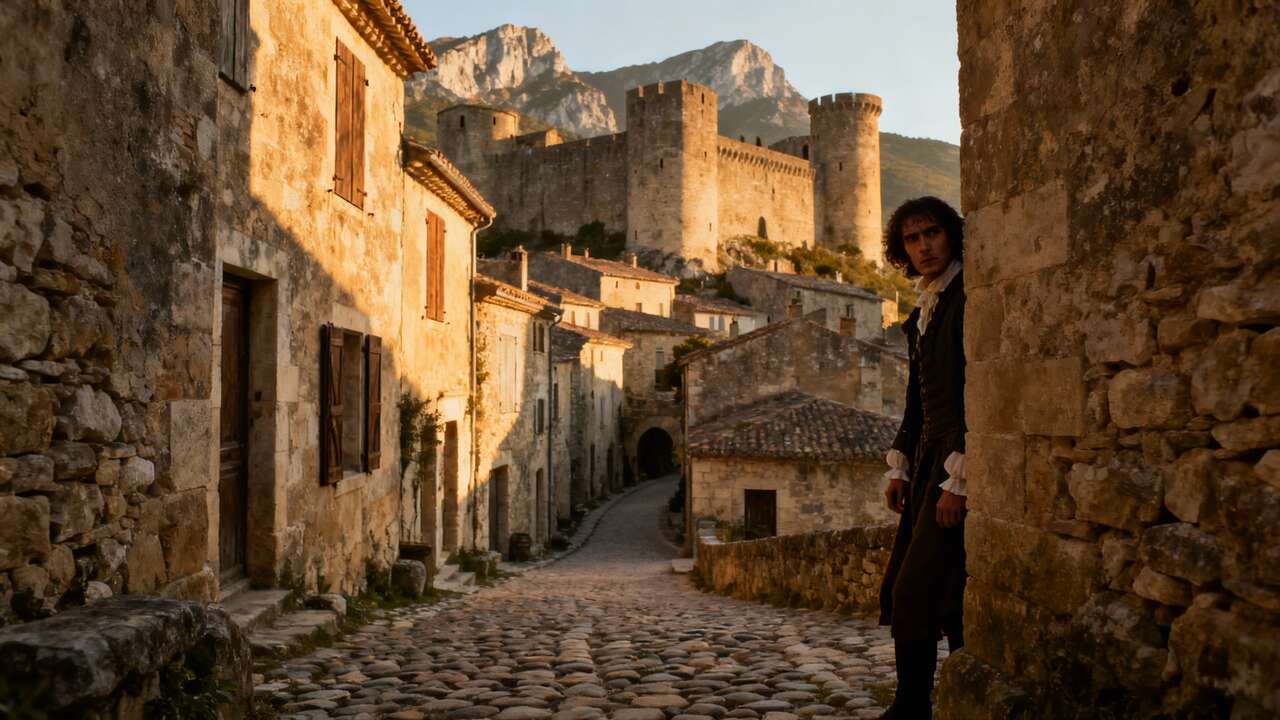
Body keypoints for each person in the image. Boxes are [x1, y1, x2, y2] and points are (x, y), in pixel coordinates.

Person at [877, 196, 967, 719]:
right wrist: (901, 466)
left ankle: (913, 707)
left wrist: (959, 480)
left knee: (916, 588)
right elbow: (917, 397)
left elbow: (977, 389)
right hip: (928, 461)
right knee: (941, 586)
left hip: (955, 463)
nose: (924, 246)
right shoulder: (923, 311)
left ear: (950, 234)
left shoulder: (966, 297)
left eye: (931, 233)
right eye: (912, 239)